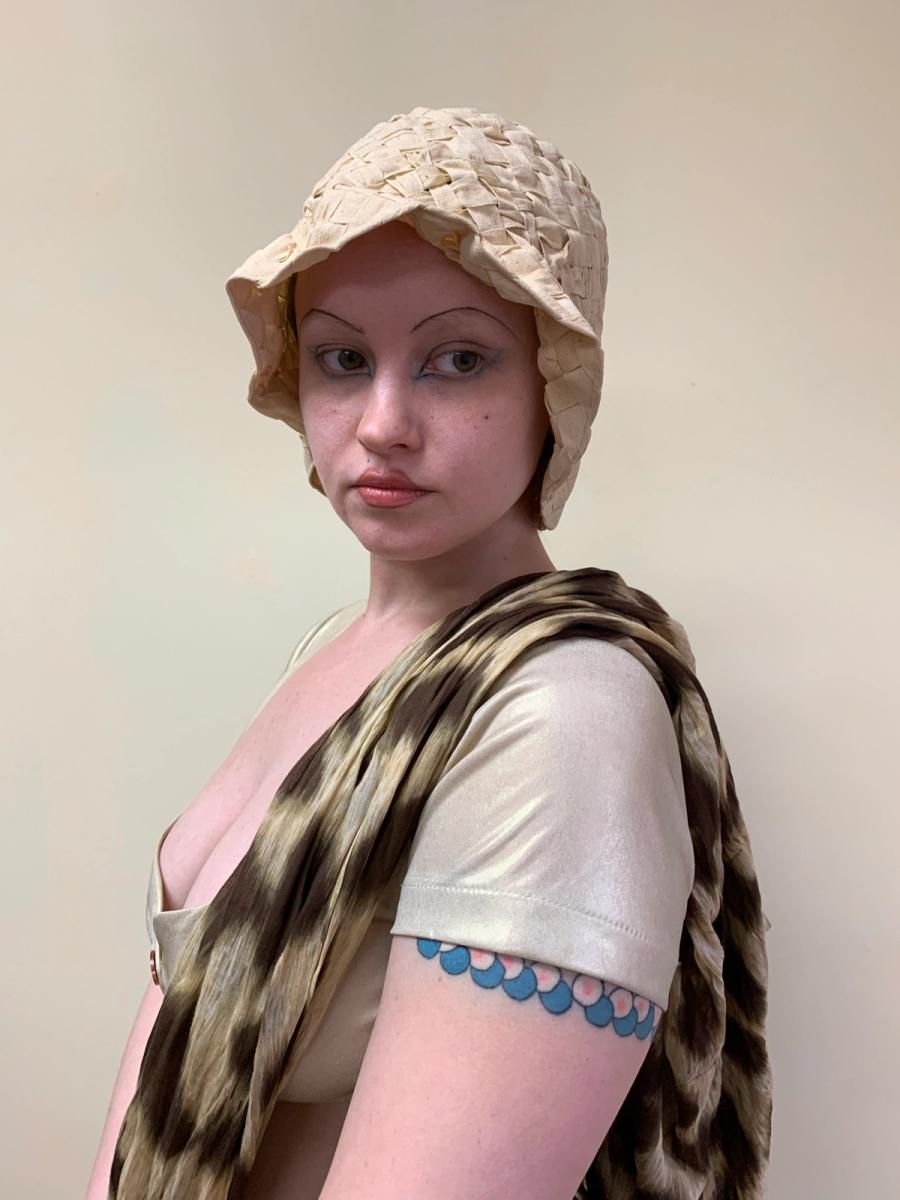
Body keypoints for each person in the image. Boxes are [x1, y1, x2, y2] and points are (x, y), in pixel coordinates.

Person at [87, 106, 771, 1200]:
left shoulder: (560, 716)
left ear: (554, 385)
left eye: (458, 360)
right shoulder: (341, 647)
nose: (383, 422)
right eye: (343, 358)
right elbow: (174, 1027)